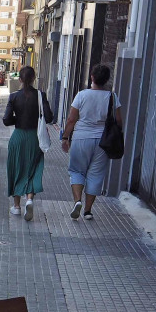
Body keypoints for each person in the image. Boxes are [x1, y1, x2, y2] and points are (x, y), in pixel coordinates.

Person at [61, 64, 124, 221]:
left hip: (81, 139)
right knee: (95, 175)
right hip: (103, 142)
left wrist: (65, 137)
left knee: (77, 171)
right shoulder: (112, 97)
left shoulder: (82, 95)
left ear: (92, 77)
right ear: (106, 80)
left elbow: (71, 119)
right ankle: (88, 211)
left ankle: (77, 201)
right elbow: (119, 122)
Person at [2, 66, 54, 222]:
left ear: (20, 79)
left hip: (18, 137)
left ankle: (16, 207)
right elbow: (50, 118)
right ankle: (29, 198)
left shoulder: (13, 97)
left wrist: (17, 119)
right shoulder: (40, 95)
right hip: (34, 138)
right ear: (33, 78)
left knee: (17, 168)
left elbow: (6, 120)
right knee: (33, 168)